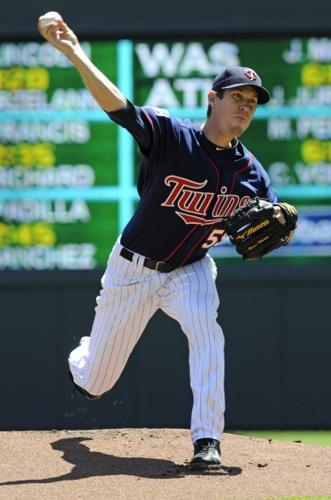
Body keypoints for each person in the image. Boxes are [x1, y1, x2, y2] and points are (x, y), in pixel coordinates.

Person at [38, 16, 281, 469]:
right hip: (134, 268)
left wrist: (277, 228)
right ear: (213, 99)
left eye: (252, 102)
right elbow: (121, 109)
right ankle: (87, 355)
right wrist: (74, 53)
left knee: (208, 334)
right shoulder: (174, 136)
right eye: (236, 98)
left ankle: (207, 441)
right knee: (96, 382)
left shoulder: (253, 174)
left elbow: (269, 226)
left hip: (190, 267)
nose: (245, 107)